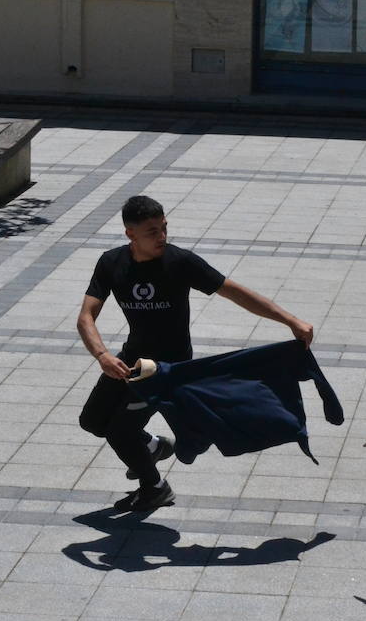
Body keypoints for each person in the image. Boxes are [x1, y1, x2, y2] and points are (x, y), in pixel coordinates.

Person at [77, 195, 315, 511]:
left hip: (167, 368)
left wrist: (290, 319)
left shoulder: (179, 263)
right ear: (130, 235)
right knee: (93, 421)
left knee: (121, 431)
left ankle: (155, 488)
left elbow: (235, 292)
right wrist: (102, 355)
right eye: (152, 232)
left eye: (164, 228)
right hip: (130, 359)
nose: (162, 237)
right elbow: (86, 317)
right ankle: (154, 446)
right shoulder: (111, 263)